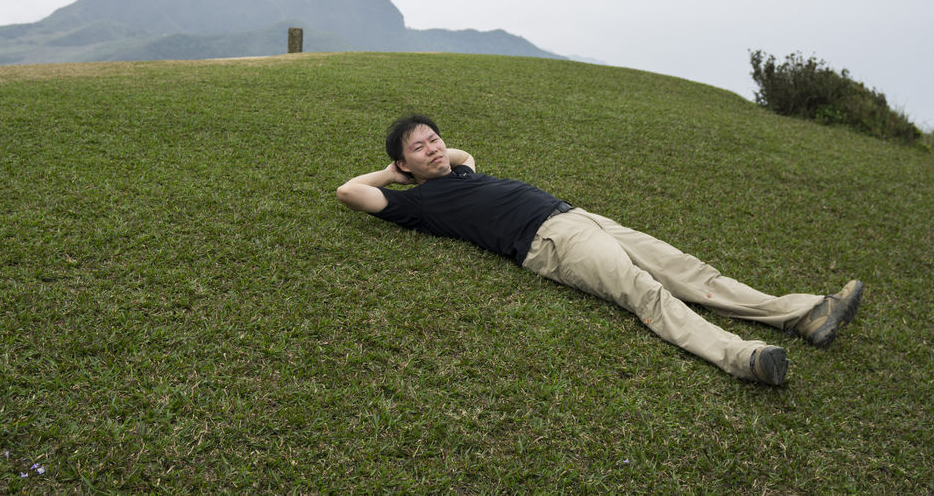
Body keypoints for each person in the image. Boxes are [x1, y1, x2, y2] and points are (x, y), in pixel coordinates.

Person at [336, 115, 864, 386]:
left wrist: (428, 150)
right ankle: (741, 357)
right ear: (404, 167)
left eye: (432, 139)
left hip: (580, 217)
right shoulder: (421, 203)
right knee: (646, 293)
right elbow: (350, 192)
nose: (433, 149)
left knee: (688, 270)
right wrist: (396, 172)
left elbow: (463, 150)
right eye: (419, 148)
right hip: (550, 242)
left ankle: (803, 313)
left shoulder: (463, 169)